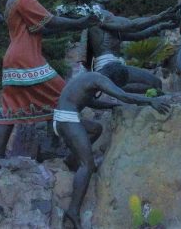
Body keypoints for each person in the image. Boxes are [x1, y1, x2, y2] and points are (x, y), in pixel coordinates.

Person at [0, 0, 100, 163]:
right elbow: (52, 22)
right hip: (27, 58)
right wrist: (79, 22)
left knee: (11, 110)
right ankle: (71, 146)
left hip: (12, 58)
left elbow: (43, 28)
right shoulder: (25, 0)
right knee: (65, 95)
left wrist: (71, 24)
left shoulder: (11, 2)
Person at [55, 64, 170, 229]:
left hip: (62, 117)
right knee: (88, 165)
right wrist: (150, 101)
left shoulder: (89, 77)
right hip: (67, 119)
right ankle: (73, 211)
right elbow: (123, 96)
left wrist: (112, 106)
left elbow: (90, 102)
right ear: (113, 79)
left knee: (96, 129)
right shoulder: (99, 79)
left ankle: (71, 159)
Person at [72, 0, 177, 93]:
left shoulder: (98, 17)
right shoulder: (99, 14)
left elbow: (136, 35)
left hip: (107, 66)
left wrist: (160, 26)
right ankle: (107, 90)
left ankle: (107, 90)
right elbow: (132, 25)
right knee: (155, 84)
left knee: (153, 85)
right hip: (109, 66)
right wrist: (159, 17)